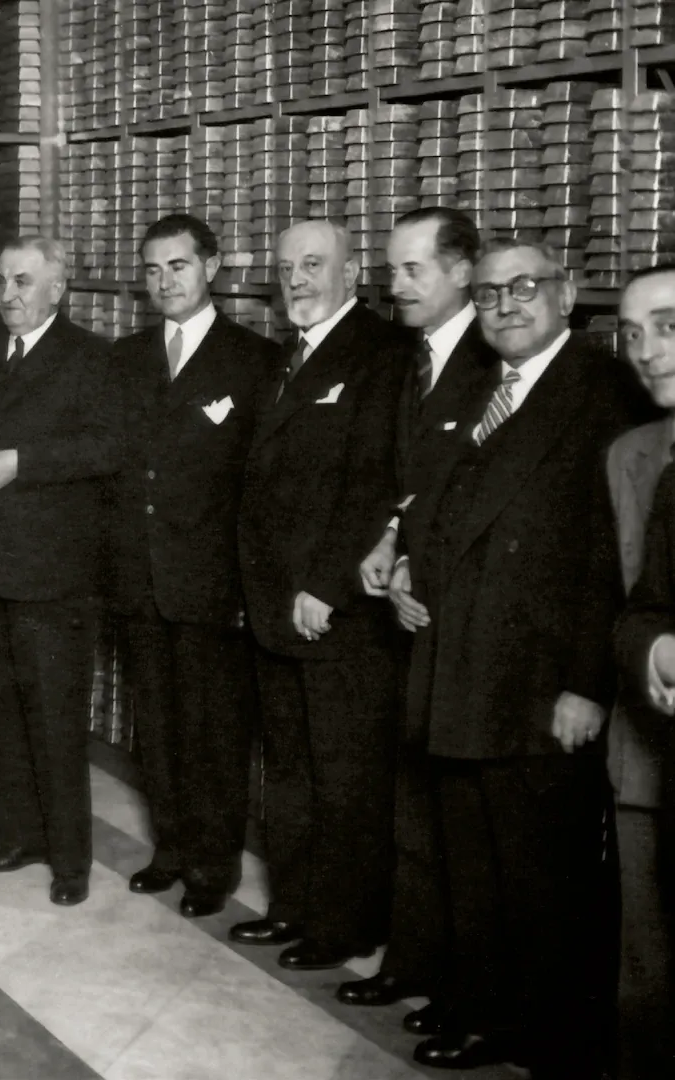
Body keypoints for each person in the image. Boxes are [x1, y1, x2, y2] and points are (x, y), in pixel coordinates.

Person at [400, 238, 624, 1073]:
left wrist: (585, 684)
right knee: (472, 856)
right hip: (459, 663)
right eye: (490, 293)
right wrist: (404, 569)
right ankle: (483, 1004)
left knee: (540, 874)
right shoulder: (479, 388)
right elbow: (432, 505)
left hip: (537, 681)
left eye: (525, 288)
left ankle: (545, 1033)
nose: (506, 305)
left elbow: (611, 557)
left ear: (566, 296)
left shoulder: (602, 391)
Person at [0, 235, 120, 906]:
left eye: (24, 281)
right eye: (2, 280)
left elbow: (107, 446)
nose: (8, 294)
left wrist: (22, 464)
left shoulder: (92, 358)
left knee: (56, 717)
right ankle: (19, 837)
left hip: (53, 570)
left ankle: (70, 860)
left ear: (57, 290)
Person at [233, 219, 408, 970]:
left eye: (313, 265)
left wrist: (327, 587)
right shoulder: (288, 357)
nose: (297, 280)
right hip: (277, 606)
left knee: (345, 778)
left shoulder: (382, 354)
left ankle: (344, 925)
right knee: (294, 771)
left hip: (332, 610)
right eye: (286, 268)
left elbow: (376, 486)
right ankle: (295, 907)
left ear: (353, 271)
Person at [339, 208, 497, 1016]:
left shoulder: (494, 359)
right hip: (401, 610)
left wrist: (411, 553)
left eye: (412, 271)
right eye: (392, 270)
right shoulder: (407, 358)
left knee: (457, 812)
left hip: (458, 620)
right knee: (408, 795)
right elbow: (403, 477)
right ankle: (412, 957)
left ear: (463, 270)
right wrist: (387, 536)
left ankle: (463, 984)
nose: (395, 286)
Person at [108, 214, 280, 918]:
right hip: (140, 576)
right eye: (152, 269)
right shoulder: (126, 356)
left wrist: (249, 582)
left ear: (211, 268)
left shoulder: (255, 359)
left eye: (177, 265)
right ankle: (170, 849)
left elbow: (262, 484)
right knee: (158, 725)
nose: (164, 281)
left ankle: (214, 866)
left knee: (215, 732)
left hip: (214, 582)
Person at [608, 263, 675, 1075]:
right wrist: (652, 647)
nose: (646, 352)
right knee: (649, 985)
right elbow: (635, 604)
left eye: (667, 327)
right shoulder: (644, 459)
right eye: (630, 336)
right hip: (652, 762)